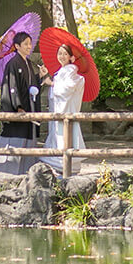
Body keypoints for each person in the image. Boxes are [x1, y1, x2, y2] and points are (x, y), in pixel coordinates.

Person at [0, 31, 43, 175]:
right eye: (25, 44)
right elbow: (12, 87)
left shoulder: (27, 63)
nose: (29, 46)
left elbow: (32, 87)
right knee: (16, 143)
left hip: (29, 108)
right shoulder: (13, 64)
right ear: (17, 46)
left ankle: (25, 173)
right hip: (19, 111)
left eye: (30, 43)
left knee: (28, 144)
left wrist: (40, 77)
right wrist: (18, 106)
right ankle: (8, 173)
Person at [40, 43, 86, 174]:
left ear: (71, 57)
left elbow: (65, 90)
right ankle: (60, 166)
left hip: (66, 111)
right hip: (58, 111)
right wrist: (47, 77)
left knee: (65, 138)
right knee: (57, 137)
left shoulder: (72, 72)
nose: (62, 56)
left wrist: (52, 83)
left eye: (65, 53)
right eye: (59, 53)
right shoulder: (61, 72)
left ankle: (65, 166)